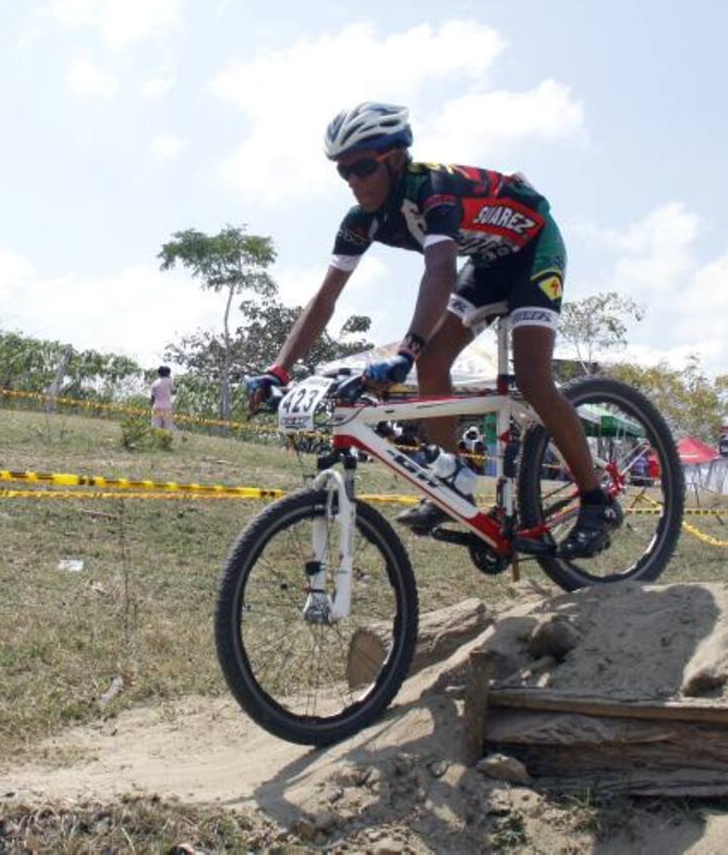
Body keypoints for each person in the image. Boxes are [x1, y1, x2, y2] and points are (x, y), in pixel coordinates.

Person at [245, 102, 622, 558]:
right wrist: (278, 370)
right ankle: (453, 481)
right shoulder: (360, 220)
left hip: (533, 249)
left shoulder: (434, 192)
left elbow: (440, 272)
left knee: (533, 378)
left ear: (396, 158)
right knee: (433, 361)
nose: (354, 182)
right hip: (488, 263)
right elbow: (325, 299)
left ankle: (596, 502)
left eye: (363, 167)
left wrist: (405, 349)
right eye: (343, 173)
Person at [150, 365, 178, 431]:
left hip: (156, 406)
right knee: (167, 426)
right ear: (168, 373)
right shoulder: (169, 381)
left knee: (155, 426)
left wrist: (152, 406)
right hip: (166, 406)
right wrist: (176, 387)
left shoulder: (154, 383)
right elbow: (174, 392)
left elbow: (152, 397)